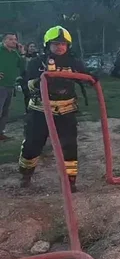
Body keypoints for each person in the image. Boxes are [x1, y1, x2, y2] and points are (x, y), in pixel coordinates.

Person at [19, 26, 94, 192]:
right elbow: (28, 83)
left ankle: (70, 181)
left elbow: (86, 76)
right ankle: (26, 175)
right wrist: (41, 82)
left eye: (63, 44)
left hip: (66, 111)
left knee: (69, 146)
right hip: (40, 111)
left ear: (68, 46)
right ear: (48, 45)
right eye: (55, 44)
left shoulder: (74, 62)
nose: (59, 47)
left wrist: (92, 78)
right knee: (33, 144)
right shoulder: (36, 63)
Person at [0, 33, 25, 141]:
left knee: (5, 111)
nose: (14, 41)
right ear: (4, 40)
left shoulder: (15, 53)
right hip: (0, 85)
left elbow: (22, 67)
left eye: (15, 39)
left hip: (10, 85)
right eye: (10, 39)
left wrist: (22, 53)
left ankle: (0, 133)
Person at [20, 42, 39, 113]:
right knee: (27, 95)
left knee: (36, 95)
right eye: (31, 46)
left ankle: (35, 110)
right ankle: (27, 110)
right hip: (25, 78)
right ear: (27, 47)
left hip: (35, 78)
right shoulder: (23, 57)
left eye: (34, 46)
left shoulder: (38, 57)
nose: (32, 48)